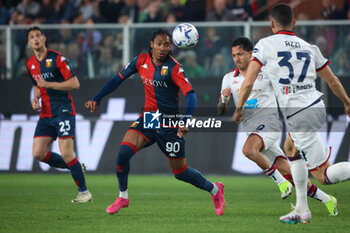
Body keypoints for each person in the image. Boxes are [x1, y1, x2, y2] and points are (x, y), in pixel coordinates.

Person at [85, 29, 225, 215]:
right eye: (159, 43)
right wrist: (98, 97)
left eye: (166, 44)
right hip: (149, 118)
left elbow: (191, 96)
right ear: (152, 44)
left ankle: (215, 190)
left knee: (180, 172)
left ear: (171, 47)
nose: (162, 48)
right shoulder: (140, 61)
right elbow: (117, 80)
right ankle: (123, 197)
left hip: (169, 123)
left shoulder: (174, 68)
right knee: (124, 152)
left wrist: (185, 121)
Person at [233, 4, 350, 224]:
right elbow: (333, 80)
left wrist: (239, 108)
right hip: (315, 105)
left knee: (323, 175)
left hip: (299, 114)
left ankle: (302, 210)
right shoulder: (309, 46)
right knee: (290, 148)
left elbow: (248, 81)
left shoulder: (265, 45)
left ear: (271, 24)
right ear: (293, 23)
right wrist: (347, 102)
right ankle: (302, 209)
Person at [219, 37, 337, 215]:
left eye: (240, 54)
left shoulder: (267, 72)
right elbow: (220, 111)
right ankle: (328, 200)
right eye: (234, 55)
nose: (237, 58)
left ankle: (280, 183)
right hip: (251, 129)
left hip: (270, 124)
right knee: (291, 174)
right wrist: (225, 99)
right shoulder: (229, 78)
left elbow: (287, 90)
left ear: (251, 54)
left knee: (248, 150)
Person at [26, 26, 92, 203]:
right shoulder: (30, 63)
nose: (36, 39)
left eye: (38, 36)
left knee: (67, 154)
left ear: (44, 38)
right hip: (46, 113)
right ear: (29, 42)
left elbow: (75, 84)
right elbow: (37, 84)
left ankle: (84, 193)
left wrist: (49, 85)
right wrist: (36, 97)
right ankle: (77, 167)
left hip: (63, 110)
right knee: (38, 153)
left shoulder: (57, 58)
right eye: (32, 37)